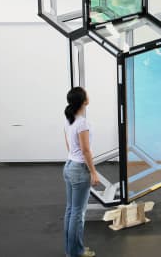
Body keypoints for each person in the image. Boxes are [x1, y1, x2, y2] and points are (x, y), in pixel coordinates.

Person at [63, 87, 99, 257]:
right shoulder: (82, 122)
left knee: (71, 210)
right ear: (83, 100)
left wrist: (74, 157)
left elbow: (69, 145)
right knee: (78, 213)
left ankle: (71, 251)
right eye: (87, 93)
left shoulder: (69, 120)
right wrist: (93, 172)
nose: (89, 94)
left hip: (69, 165)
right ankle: (76, 252)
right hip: (79, 169)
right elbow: (85, 150)